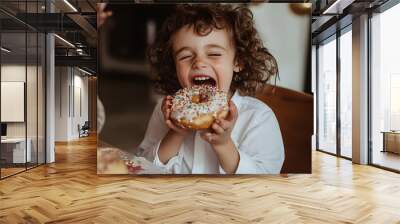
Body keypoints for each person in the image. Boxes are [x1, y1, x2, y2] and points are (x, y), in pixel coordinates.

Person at [137, 4, 284, 174]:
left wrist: (224, 144)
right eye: (185, 56)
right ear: (174, 66)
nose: (199, 62)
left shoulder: (258, 118)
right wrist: (175, 134)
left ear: (238, 62)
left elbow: (263, 184)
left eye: (214, 54)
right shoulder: (165, 112)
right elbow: (141, 167)